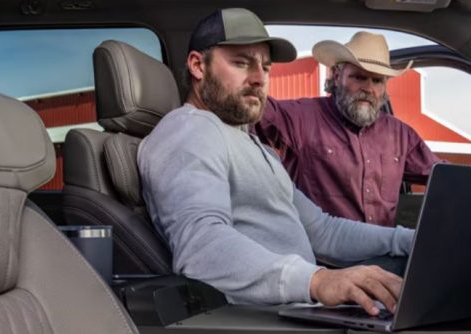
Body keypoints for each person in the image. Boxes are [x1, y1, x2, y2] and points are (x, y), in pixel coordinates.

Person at [138, 8, 414, 316]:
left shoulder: (253, 145)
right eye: (241, 63)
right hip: (263, 319)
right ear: (198, 66)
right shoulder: (189, 130)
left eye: (265, 67)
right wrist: (317, 280)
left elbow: (323, 231)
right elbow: (200, 246)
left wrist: (407, 239)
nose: (258, 79)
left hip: (301, 308)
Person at [253, 31, 442, 227]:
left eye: (377, 81)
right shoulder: (301, 117)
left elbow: (444, 176)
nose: (368, 89)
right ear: (336, 76)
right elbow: (252, 109)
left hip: (382, 253)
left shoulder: (401, 135)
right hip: (319, 255)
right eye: (359, 77)